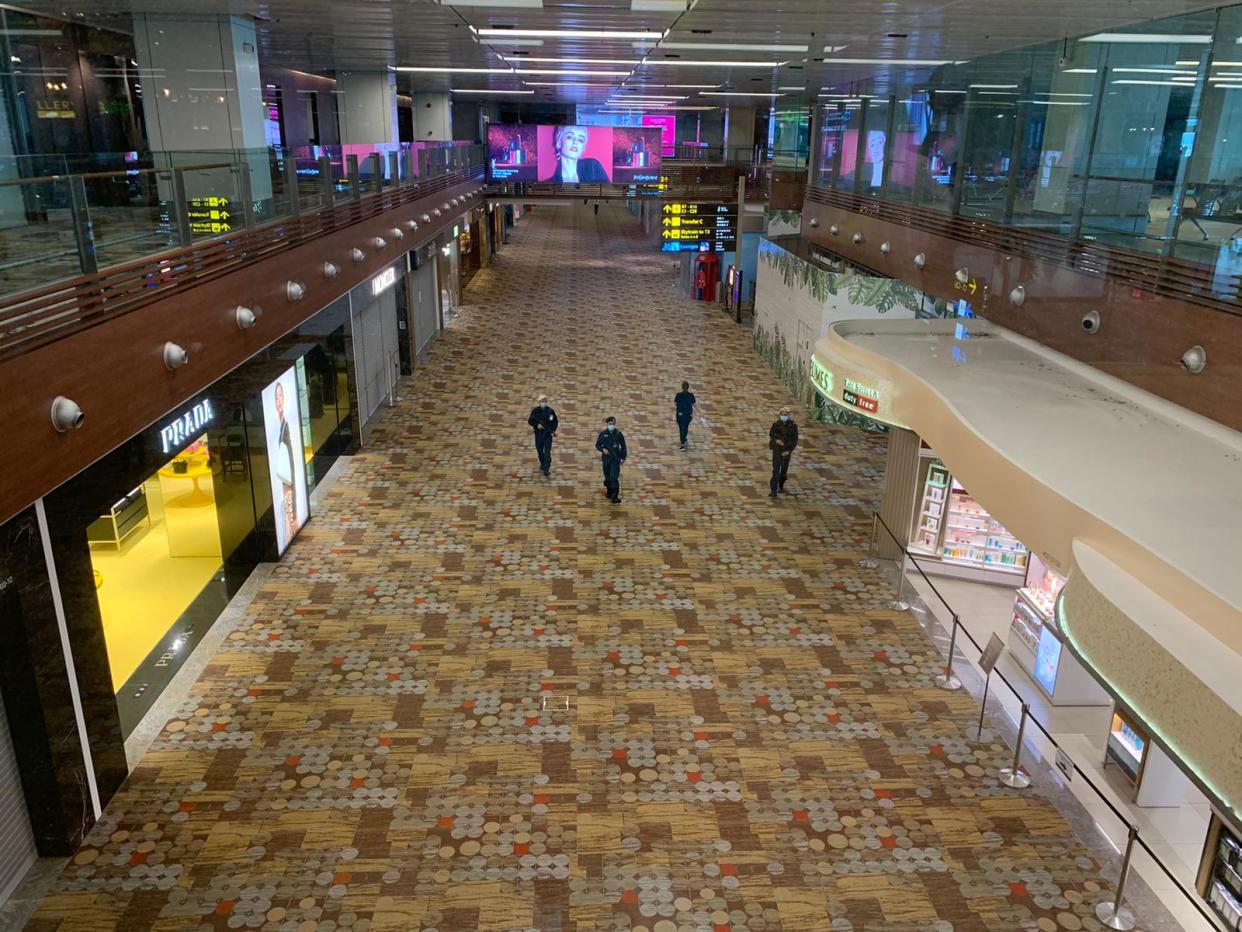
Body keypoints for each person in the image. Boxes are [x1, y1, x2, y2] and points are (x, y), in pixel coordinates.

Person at [542, 126, 611, 184]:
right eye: (570, 137)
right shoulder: (547, 185)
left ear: (583, 148)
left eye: (580, 140)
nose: (575, 142)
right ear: (559, 143)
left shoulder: (593, 167)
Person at [595, 416, 627, 504]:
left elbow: (623, 447)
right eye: (610, 424)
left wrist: (623, 457)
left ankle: (615, 495)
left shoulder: (618, 434)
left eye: (613, 424)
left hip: (615, 459)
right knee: (607, 477)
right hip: (606, 459)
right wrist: (602, 449)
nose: (611, 425)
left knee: (614, 477)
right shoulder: (603, 434)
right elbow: (598, 444)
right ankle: (609, 491)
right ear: (607, 424)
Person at [768, 406, 798, 498]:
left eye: (786, 415)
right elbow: (772, 434)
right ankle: (773, 491)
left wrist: (789, 451)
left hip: (786, 451)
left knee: (783, 472)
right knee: (776, 470)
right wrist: (776, 440)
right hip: (777, 450)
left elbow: (794, 440)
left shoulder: (792, 426)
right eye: (782, 414)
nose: (784, 416)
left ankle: (781, 484)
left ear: (788, 415)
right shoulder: (776, 424)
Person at [528, 394, 558, 477]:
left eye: (545, 401)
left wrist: (552, 430)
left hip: (547, 435)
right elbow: (530, 421)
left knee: (547, 452)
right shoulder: (535, 411)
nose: (544, 403)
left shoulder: (550, 412)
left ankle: (546, 468)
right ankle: (542, 463)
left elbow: (554, 422)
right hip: (538, 435)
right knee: (540, 451)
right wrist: (537, 425)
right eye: (542, 401)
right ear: (539, 402)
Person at [674, 381, 696, 450]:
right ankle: (684, 440)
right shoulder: (691, 395)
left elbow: (675, 403)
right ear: (688, 387)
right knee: (685, 428)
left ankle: (683, 443)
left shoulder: (678, 395)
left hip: (680, 414)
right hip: (688, 414)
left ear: (682, 387)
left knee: (681, 428)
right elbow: (693, 404)